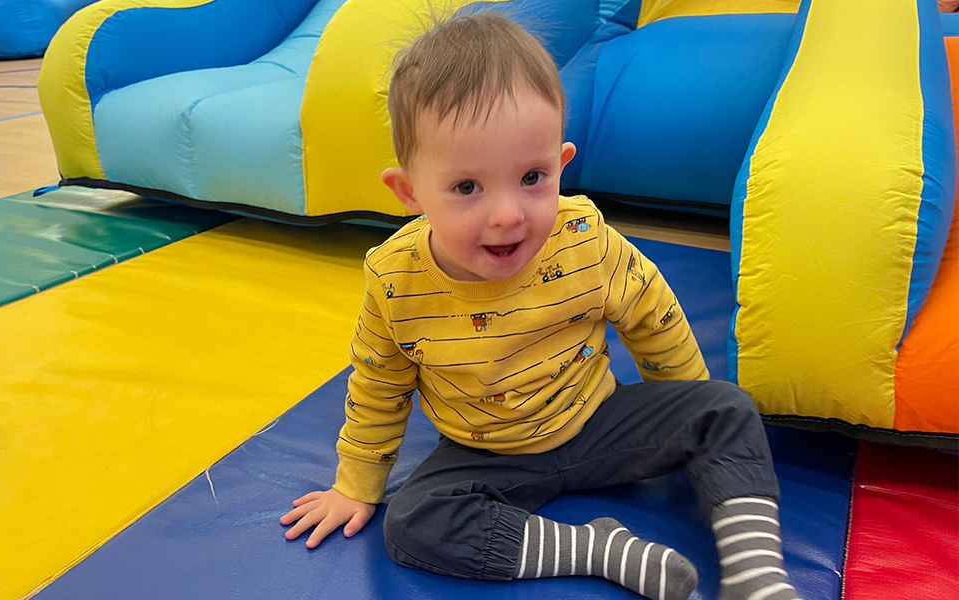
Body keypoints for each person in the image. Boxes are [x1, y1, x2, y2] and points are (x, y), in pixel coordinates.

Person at [281, 12, 802, 600]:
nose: (507, 214)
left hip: (600, 424)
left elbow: (654, 316)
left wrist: (686, 423)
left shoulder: (585, 241)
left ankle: (755, 577)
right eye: (467, 188)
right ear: (410, 193)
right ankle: (596, 548)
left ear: (562, 163)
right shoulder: (395, 280)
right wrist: (357, 485)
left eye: (532, 177)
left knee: (725, 407)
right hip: (487, 453)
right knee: (412, 524)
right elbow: (379, 386)